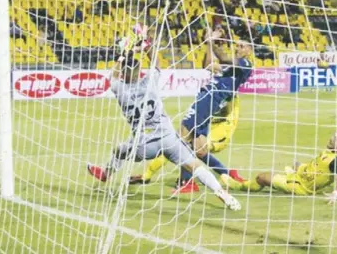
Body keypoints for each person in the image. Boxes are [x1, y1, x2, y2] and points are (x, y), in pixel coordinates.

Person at [86, 26, 241, 211]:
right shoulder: (149, 83)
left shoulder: (120, 90)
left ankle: (106, 173)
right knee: (196, 166)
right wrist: (146, 46)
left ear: (124, 75)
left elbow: (112, 76)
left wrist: (124, 53)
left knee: (119, 151)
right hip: (169, 138)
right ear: (139, 73)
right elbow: (156, 63)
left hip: (144, 143)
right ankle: (221, 192)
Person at [170, 29, 253, 193]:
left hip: (208, 100)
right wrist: (208, 44)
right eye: (237, 46)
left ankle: (186, 182)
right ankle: (227, 173)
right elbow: (208, 65)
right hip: (208, 100)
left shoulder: (245, 64)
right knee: (199, 150)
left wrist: (212, 40)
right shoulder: (229, 69)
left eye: (242, 46)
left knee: (181, 139)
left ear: (249, 50)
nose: (238, 48)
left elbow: (222, 57)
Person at [233, 129, 337, 204]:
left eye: (335, 139)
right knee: (295, 163)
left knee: (262, 177)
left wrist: (336, 194)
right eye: (333, 136)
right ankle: (293, 171)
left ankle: (238, 185)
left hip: (299, 186)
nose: (331, 139)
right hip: (301, 173)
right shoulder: (335, 153)